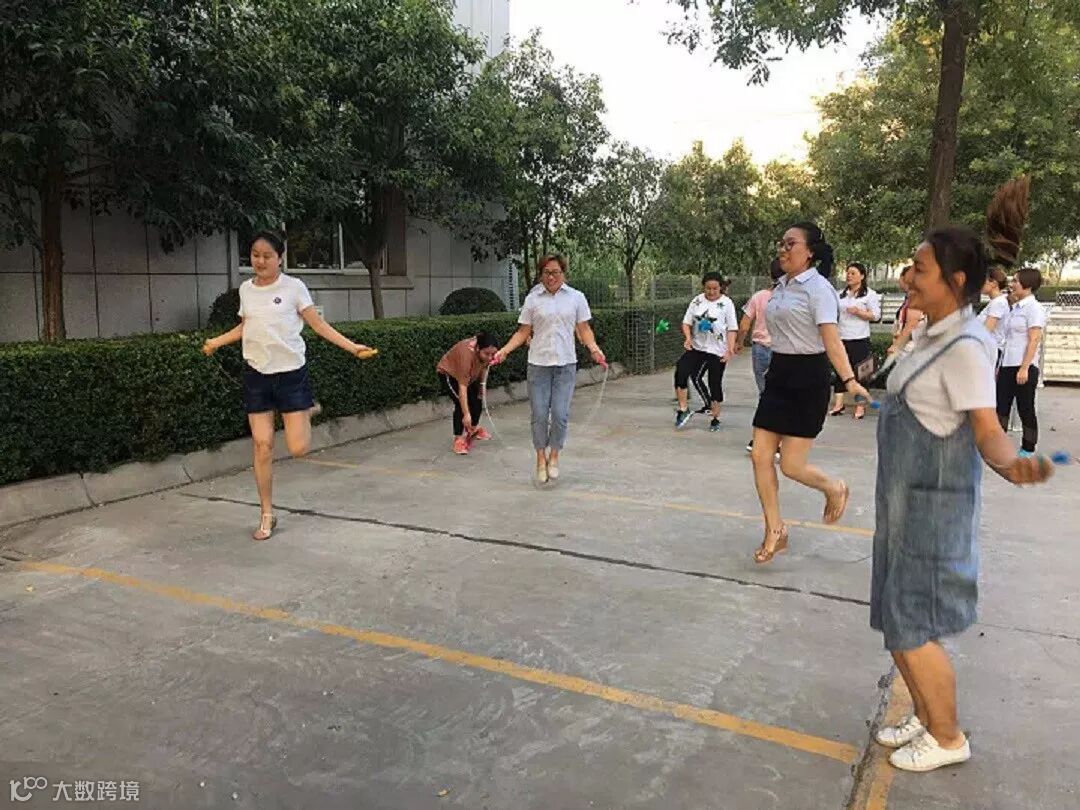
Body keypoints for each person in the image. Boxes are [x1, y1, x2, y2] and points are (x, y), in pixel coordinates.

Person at [869, 215, 1052, 774]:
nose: (907, 277)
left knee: (912, 627)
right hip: (902, 506)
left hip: (933, 513)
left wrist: (1013, 465)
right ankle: (927, 715)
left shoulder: (967, 346)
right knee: (896, 620)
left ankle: (948, 737)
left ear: (955, 280)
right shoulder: (931, 334)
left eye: (919, 269)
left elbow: (987, 432)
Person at [202, 230, 375, 541]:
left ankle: (306, 409)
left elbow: (318, 325)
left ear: (280, 258)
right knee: (262, 445)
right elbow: (246, 326)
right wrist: (217, 341)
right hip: (256, 375)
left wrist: (352, 347)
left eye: (267, 256)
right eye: (255, 255)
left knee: (298, 449)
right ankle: (266, 514)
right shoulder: (246, 290)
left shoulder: (294, 288)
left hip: (291, 375)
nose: (260, 261)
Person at [749, 222, 870, 564]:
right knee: (760, 456)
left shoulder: (819, 289)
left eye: (790, 244)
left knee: (791, 465)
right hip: (779, 374)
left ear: (810, 252)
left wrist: (849, 380)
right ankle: (775, 530)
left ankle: (834, 487)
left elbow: (831, 339)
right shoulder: (781, 286)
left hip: (808, 377)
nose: (782, 249)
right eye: (781, 243)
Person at [494, 254, 605, 483]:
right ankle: (540, 457)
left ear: (563, 273)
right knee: (539, 414)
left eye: (555, 272)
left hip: (566, 365)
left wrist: (594, 349)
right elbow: (523, 332)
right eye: (546, 273)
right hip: (538, 365)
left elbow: (584, 329)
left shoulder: (576, 298)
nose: (551, 277)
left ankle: (554, 455)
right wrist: (504, 351)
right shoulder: (533, 299)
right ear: (541, 274)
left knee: (561, 415)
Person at [673, 272, 738, 432]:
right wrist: (688, 338)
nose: (711, 292)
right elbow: (686, 322)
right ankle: (683, 408)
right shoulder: (697, 300)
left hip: (717, 350)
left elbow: (732, 328)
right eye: (708, 288)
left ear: (721, 287)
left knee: (714, 383)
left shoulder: (727, 303)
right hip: (697, 347)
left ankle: (715, 418)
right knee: (681, 370)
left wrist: (729, 350)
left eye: (715, 288)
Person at [996, 267, 1046, 455]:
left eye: (1016, 281)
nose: (1012, 284)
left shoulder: (1034, 308)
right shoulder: (1015, 308)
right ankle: (999, 446)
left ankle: (1027, 448)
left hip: (1023, 365)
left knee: (1025, 408)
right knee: (1001, 407)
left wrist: (1024, 368)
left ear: (1027, 284)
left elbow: (1034, 339)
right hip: (1007, 364)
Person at [736, 259, 785, 452]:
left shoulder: (759, 297)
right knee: (783, 395)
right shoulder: (793, 298)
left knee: (765, 394)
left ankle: (759, 439)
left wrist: (739, 342)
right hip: (785, 352)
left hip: (761, 349)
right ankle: (778, 441)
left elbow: (744, 325)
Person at [830, 262, 882, 420]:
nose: (849, 276)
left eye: (853, 273)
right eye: (847, 273)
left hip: (859, 338)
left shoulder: (869, 295)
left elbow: (876, 316)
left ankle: (860, 406)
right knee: (840, 370)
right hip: (841, 337)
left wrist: (859, 312)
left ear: (862, 276)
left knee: (862, 373)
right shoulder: (840, 294)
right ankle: (838, 404)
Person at [437, 332, 498, 455]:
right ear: (478, 348)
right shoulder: (466, 356)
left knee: (477, 399)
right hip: (450, 374)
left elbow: (484, 367)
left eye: (493, 354)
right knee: (461, 404)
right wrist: (466, 414)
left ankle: (473, 429)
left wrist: (482, 386)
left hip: (469, 376)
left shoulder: (486, 353)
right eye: (487, 354)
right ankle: (458, 438)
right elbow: (462, 387)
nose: (490, 357)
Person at [887, 265, 924, 356]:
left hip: (910, 349)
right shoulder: (911, 296)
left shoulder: (916, 296)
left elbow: (911, 324)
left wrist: (896, 346)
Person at [977, 267, 1011, 358]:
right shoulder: (995, 302)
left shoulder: (998, 303)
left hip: (990, 351)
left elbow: (987, 330)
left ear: (994, 283)